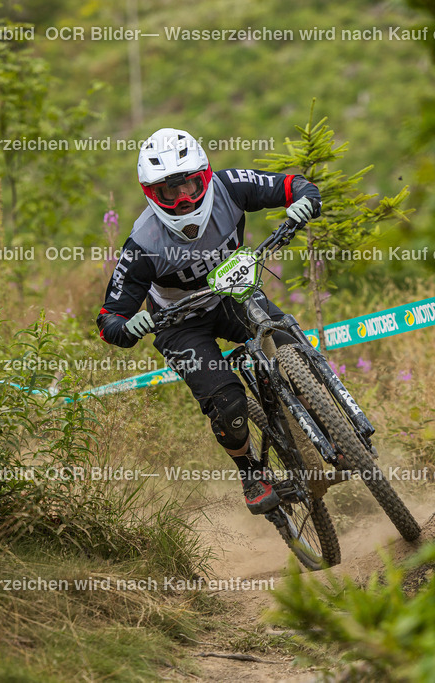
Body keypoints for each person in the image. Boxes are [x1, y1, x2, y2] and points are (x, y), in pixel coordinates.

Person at [96, 128, 321, 514]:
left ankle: (323, 422)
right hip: (179, 323)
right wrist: (127, 327)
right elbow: (108, 318)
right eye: (170, 192)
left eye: (190, 186)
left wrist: (303, 201)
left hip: (234, 295)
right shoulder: (143, 243)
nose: (183, 200)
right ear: (152, 195)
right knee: (228, 404)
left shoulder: (230, 187)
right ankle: (250, 471)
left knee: (287, 342)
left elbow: (293, 184)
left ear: (205, 175)